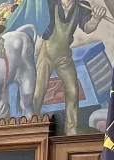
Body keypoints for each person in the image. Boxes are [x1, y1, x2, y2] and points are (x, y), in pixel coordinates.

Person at [32, 0, 106, 135]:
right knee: (38, 91)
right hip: (46, 53)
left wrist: (95, 18)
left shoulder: (82, 6)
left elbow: (88, 28)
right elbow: (37, 15)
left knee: (73, 90)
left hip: (64, 55)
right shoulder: (49, 3)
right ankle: (32, 125)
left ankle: (71, 130)